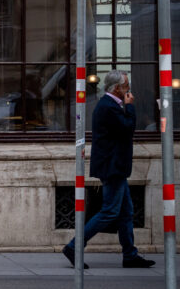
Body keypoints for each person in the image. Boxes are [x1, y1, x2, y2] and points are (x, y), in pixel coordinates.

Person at [62, 69, 154, 269]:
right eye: (126, 86)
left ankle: (130, 254)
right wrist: (130, 108)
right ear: (118, 88)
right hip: (112, 167)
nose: (129, 89)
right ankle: (74, 246)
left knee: (125, 212)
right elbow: (127, 129)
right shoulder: (108, 107)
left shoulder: (110, 105)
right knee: (110, 212)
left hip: (115, 166)